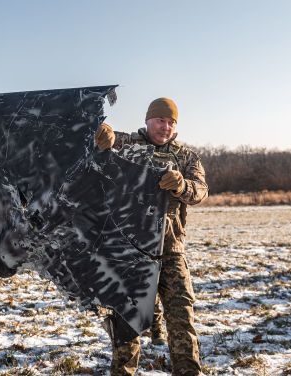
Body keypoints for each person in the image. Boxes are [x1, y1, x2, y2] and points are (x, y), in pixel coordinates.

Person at [95, 97, 208, 376]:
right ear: (147, 120)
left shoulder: (186, 156)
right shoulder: (127, 145)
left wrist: (182, 185)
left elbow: (201, 191)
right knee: (126, 320)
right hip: (131, 249)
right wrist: (100, 135)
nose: (166, 126)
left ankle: (188, 371)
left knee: (182, 313)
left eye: (171, 122)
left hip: (171, 249)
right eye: (160, 120)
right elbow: (95, 145)